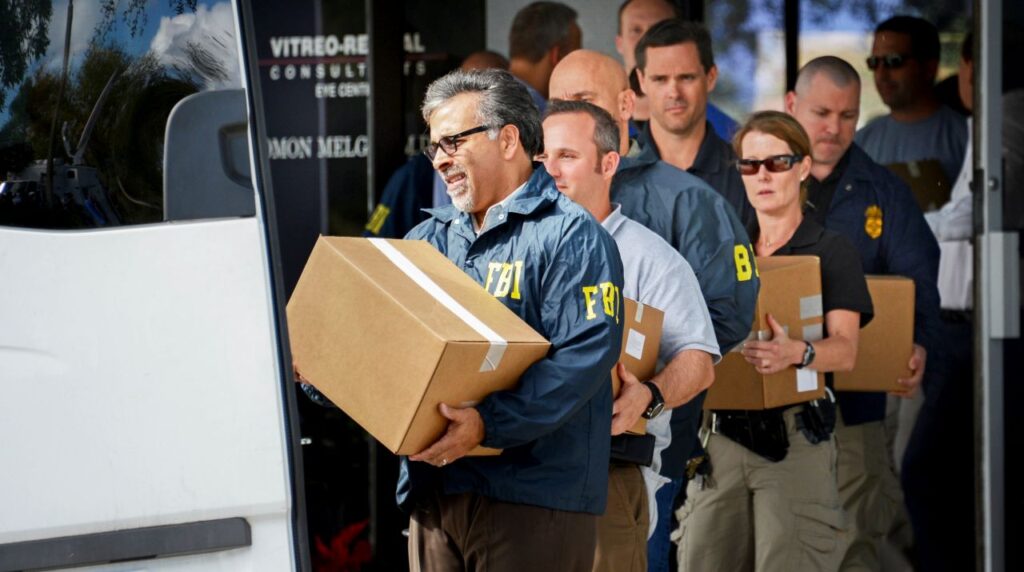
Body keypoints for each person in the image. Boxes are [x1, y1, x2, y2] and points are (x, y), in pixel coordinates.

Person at [401, 69, 625, 571]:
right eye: (434, 146)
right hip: (435, 495)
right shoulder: (425, 242)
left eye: (454, 141)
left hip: (533, 497)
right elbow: (388, 346)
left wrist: (486, 424)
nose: (440, 159)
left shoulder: (572, 236)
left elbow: (585, 358)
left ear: (508, 139)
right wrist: (318, 373)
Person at [548, 50, 757, 572]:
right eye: (543, 156)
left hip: (624, 471)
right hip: (522, 482)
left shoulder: (657, 248)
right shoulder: (515, 243)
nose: (551, 170)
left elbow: (705, 347)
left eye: (568, 156)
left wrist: (652, 394)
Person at [675, 110, 873, 571]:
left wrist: (798, 352)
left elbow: (846, 350)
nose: (762, 175)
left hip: (796, 435)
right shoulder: (726, 251)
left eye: (777, 163)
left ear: (803, 168)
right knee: (701, 558)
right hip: (720, 439)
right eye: (749, 165)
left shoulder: (830, 249)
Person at [784, 56, 942, 570]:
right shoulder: (760, 179)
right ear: (792, 106)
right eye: (822, 112)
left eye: (848, 116)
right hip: (772, 400)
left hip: (859, 401)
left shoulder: (886, 192)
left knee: (858, 534)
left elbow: (918, 285)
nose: (834, 128)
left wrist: (917, 341)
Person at [900, 34, 976, 572]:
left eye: (896, 59)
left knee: (927, 469)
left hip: (968, 325)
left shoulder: (991, 118)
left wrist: (910, 225)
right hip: (935, 322)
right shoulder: (980, 121)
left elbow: (979, 210)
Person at [363, 52, 510, 239]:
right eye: (438, 146)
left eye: (456, 141)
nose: (440, 160)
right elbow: (373, 245)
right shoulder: (411, 179)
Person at [633, 18, 755, 226]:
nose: (674, 92)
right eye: (660, 79)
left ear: (711, 77)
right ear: (642, 80)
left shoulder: (746, 173)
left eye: (686, 78)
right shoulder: (617, 171)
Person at [856, 16, 968, 184]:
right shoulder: (860, 143)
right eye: (874, 62)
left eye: (894, 61)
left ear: (929, 68)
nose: (881, 74)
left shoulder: (967, 139)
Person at [614, 0, 737, 140]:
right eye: (636, 30)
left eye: (658, 30)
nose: (646, 41)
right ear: (619, 42)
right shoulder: (600, 124)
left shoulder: (728, 133)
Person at [508, 1, 581, 113]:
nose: (580, 66)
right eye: (576, 56)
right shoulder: (537, 115)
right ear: (557, 56)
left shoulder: (481, 95)